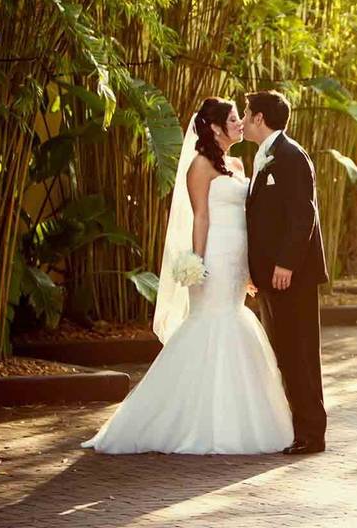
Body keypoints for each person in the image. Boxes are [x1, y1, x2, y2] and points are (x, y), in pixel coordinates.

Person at [81, 97, 293, 455]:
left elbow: (250, 218)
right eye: (232, 119)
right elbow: (201, 217)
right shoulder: (200, 166)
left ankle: (234, 417)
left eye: (240, 118)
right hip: (215, 254)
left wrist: (250, 268)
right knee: (211, 323)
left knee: (233, 320)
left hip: (238, 255)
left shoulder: (240, 164)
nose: (239, 123)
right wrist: (197, 260)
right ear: (214, 128)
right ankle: (182, 420)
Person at [243, 90, 329, 455]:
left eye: (246, 114)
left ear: (261, 118)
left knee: (301, 353)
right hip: (271, 276)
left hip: (292, 275)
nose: (243, 121)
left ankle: (312, 434)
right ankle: (301, 429)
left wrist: (286, 263)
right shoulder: (265, 156)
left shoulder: (292, 156)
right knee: (286, 352)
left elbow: (302, 214)